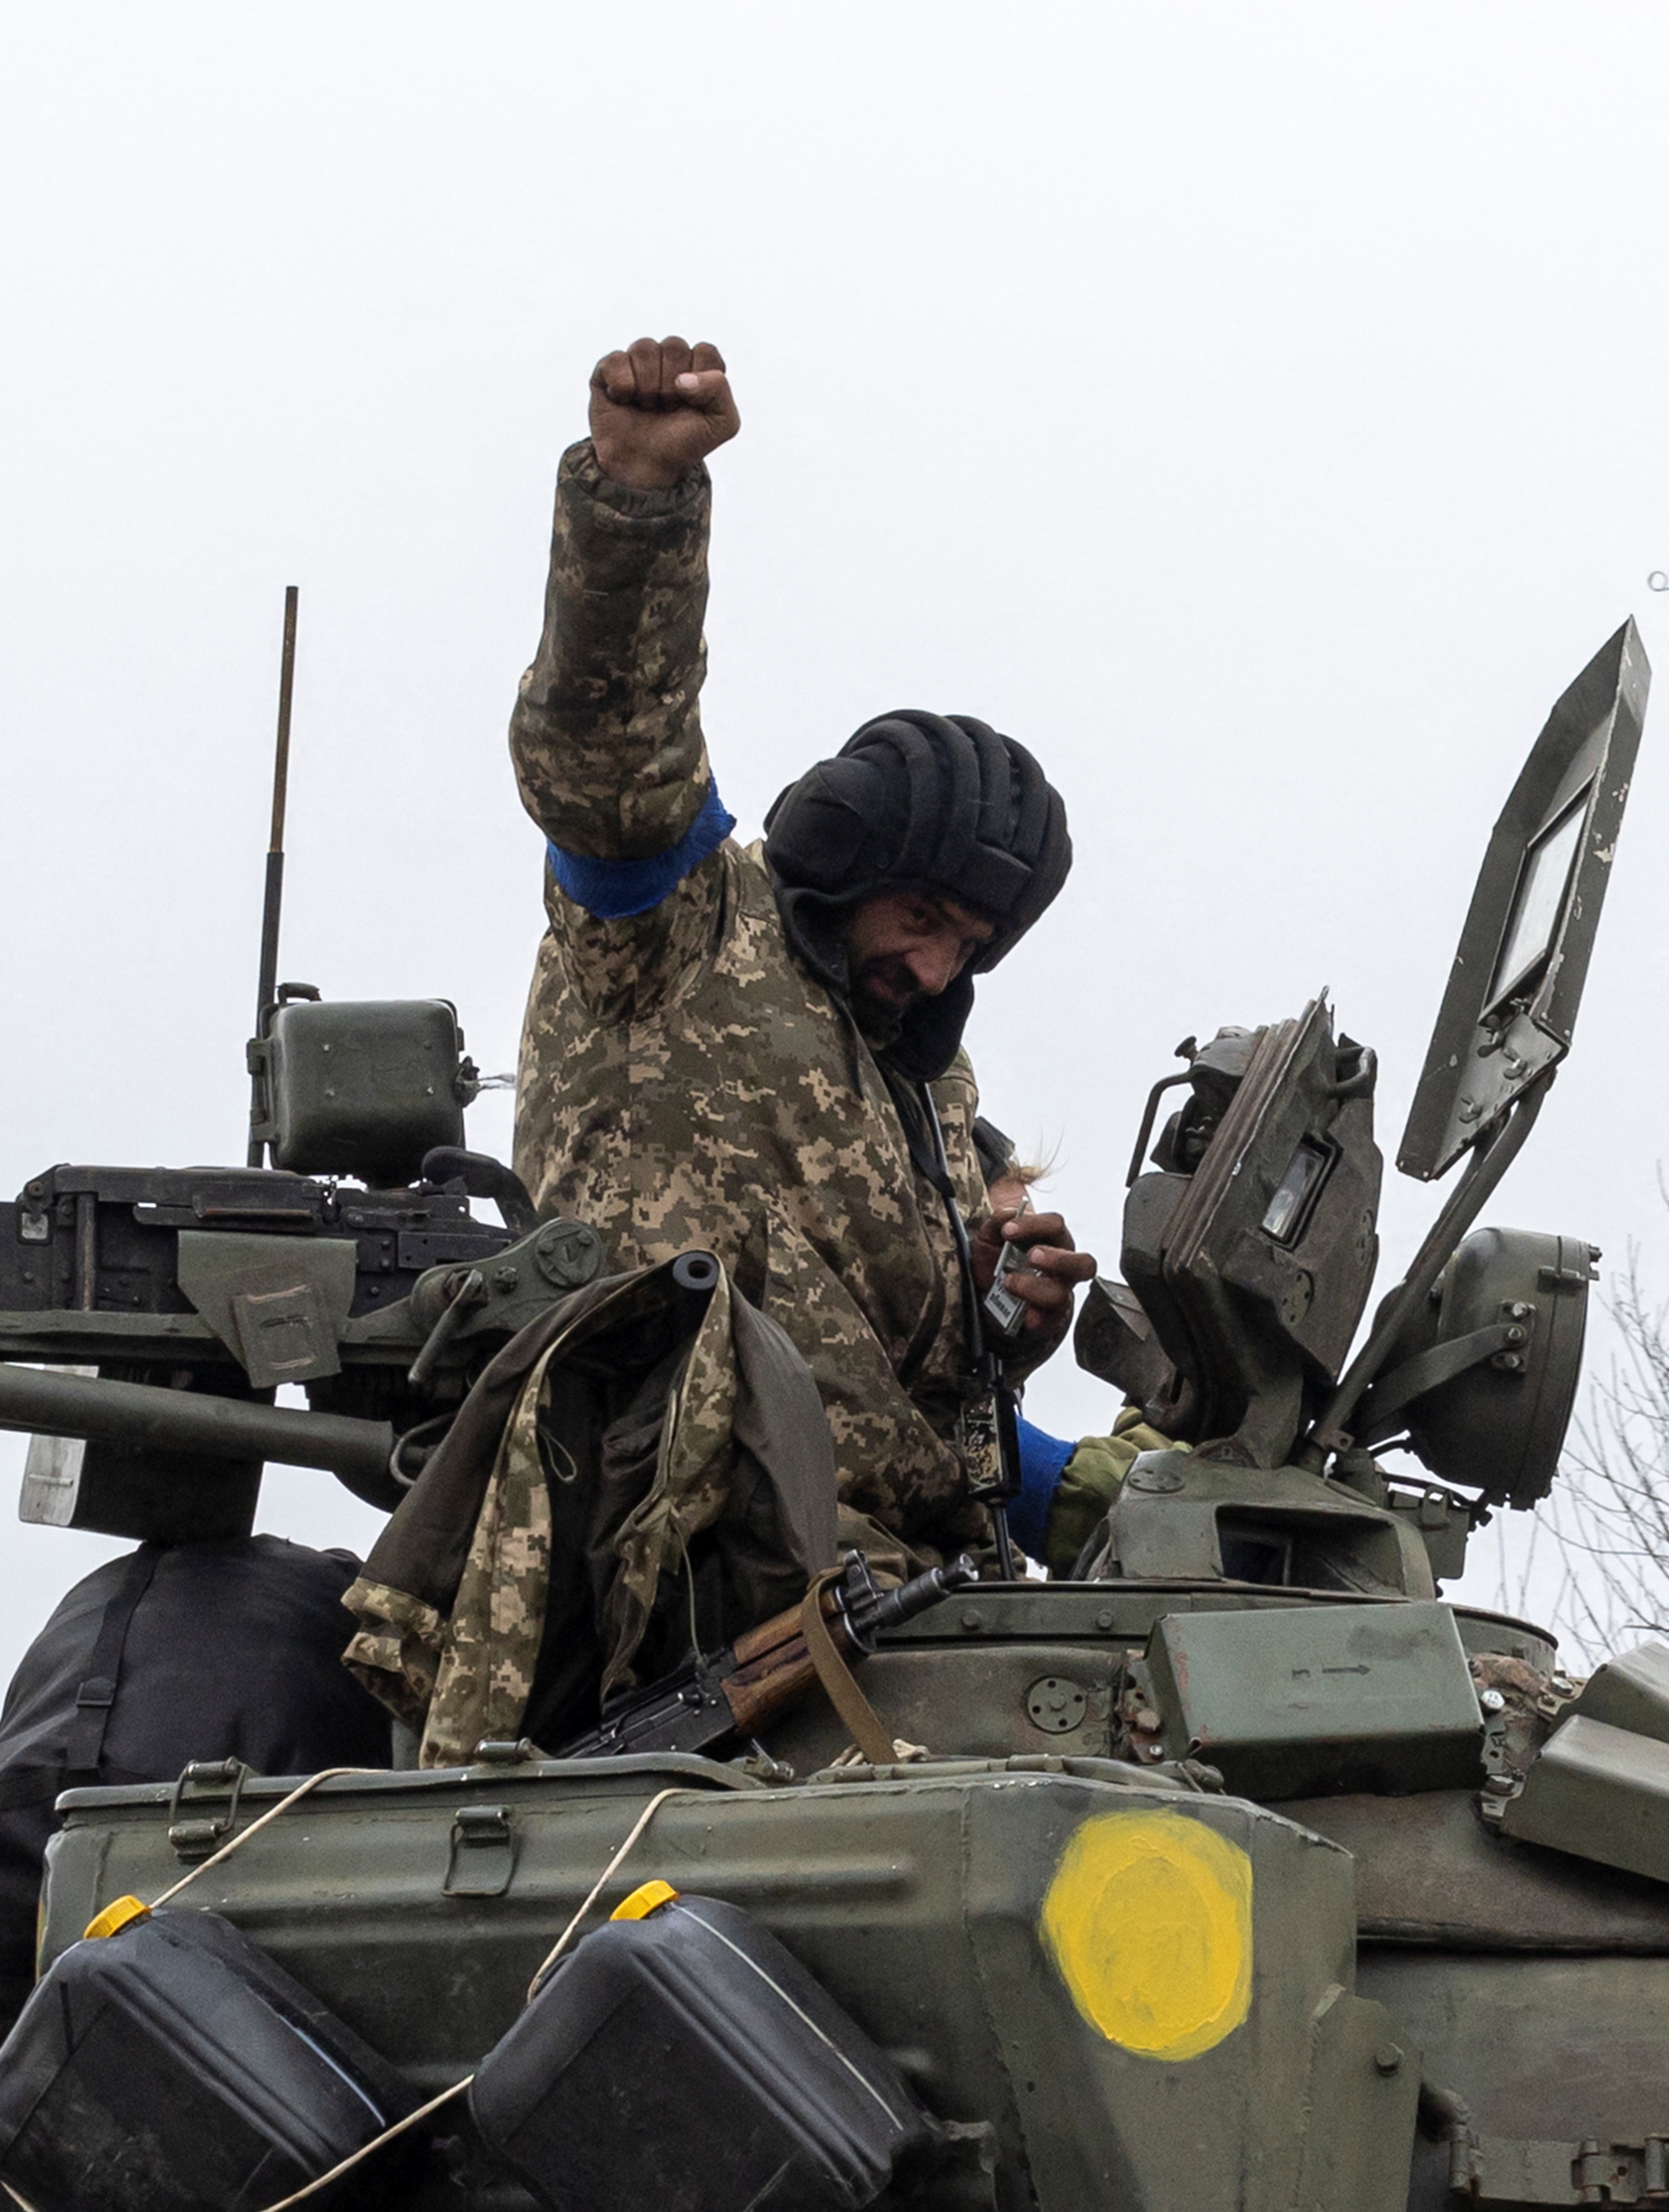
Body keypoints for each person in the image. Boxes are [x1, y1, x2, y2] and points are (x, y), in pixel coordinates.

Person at [345, 334, 1103, 1756]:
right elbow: (609, 756)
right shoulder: (682, 933)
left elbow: (903, 1417)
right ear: (849, 860)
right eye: (923, 915)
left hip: (890, 1586)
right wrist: (637, 503)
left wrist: (1005, 1341)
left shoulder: (928, 1094)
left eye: (972, 948)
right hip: (679, 1570)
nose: (936, 964)